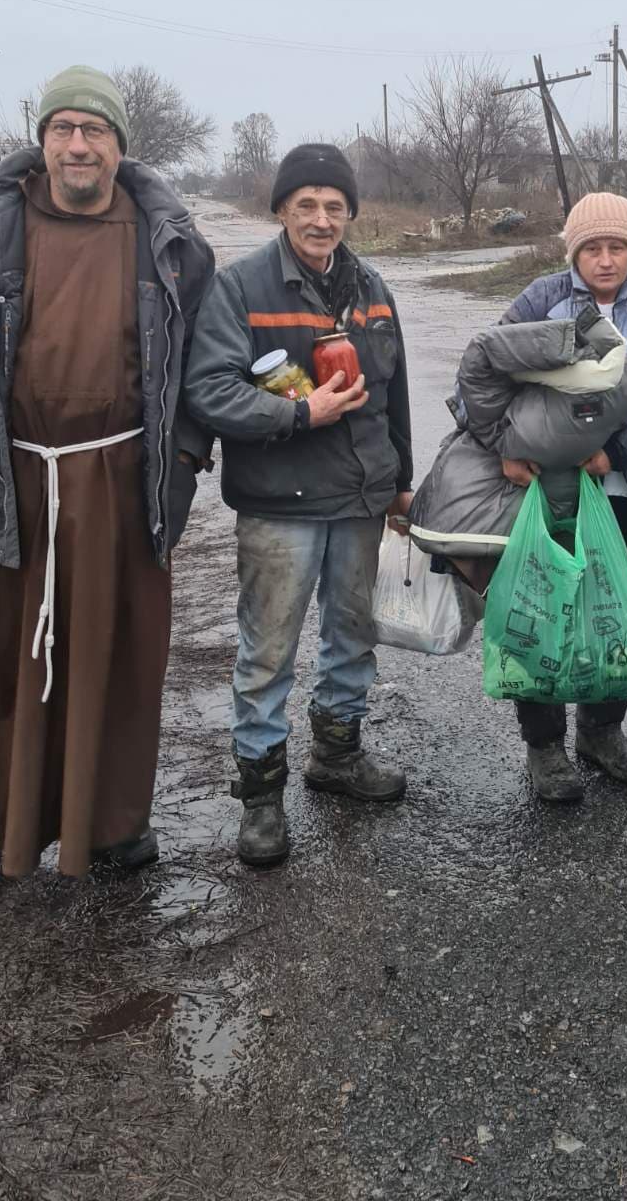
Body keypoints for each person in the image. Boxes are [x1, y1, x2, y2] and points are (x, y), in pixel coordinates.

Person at [0, 65, 214, 921]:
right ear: (42, 140)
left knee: (117, 649)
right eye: (64, 127)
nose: (79, 145)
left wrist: (182, 458)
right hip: (11, 472)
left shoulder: (167, 237)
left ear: (119, 144)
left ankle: (107, 822)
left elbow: (204, 365)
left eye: (96, 130)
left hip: (122, 474)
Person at [185, 143, 412, 867]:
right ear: (281, 209)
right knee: (268, 652)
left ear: (350, 213)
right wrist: (296, 414)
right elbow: (210, 389)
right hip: (280, 503)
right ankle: (260, 797)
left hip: (359, 499)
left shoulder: (371, 285)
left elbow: (394, 395)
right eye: (306, 204)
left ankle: (337, 757)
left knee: (354, 637)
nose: (321, 219)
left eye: (335, 206)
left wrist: (401, 481)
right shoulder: (242, 286)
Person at [497, 192, 627, 801]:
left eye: (617, 248)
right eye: (592, 248)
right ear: (574, 251)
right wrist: (503, 442)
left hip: (625, 493)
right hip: (549, 494)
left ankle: (602, 731)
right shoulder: (539, 300)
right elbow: (490, 367)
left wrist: (622, 447)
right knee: (543, 611)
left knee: (616, 611)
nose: (605, 260)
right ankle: (545, 743)